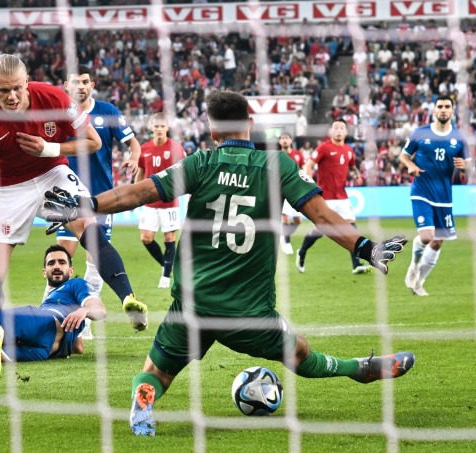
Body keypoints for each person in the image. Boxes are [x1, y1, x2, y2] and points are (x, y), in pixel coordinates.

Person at [41, 90, 413, 437]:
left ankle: (144, 403)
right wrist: (366, 248)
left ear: (212, 129)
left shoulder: (200, 163)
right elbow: (320, 214)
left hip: (194, 304)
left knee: (156, 373)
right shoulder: (276, 165)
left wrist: (84, 205)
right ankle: (361, 370)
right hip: (249, 310)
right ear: (250, 123)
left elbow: (137, 193)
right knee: (300, 352)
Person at [0, 54, 147, 384]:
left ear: (27, 81)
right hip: (7, 189)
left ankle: (127, 296)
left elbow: (93, 142)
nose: (11, 97)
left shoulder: (54, 98)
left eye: (16, 88)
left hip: (51, 175)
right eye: (3, 91)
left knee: (86, 223)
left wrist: (49, 148)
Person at [52, 66, 141, 339]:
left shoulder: (108, 111)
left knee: (95, 259)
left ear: (92, 85)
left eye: (85, 82)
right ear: (66, 85)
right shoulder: (57, 113)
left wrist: (134, 158)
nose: (81, 86)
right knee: (61, 257)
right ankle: (53, 310)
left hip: (101, 199)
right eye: (75, 82)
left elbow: (133, 144)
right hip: (67, 198)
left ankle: (86, 321)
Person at [399, 95, 471, 296]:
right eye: (440, 106)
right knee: (427, 236)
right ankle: (413, 266)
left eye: (447, 106)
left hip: (444, 197)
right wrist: (411, 165)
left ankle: (419, 282)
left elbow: (470, 167)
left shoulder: (459, 138)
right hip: (421, 191)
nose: (443, 110)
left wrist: (465, 167)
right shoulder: (419, 133)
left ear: (453, 110)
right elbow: (404, 155)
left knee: (438, 241)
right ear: (434, 110)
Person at [295, 119, 372, 275]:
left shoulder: (349, 150)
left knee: (351, 229)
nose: (338, 130)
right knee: (321, 231)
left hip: (342, 197)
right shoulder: (324, 147)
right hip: (326, 198)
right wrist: (308, 182)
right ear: (331, 131)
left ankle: (356, 264)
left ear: (345, 132)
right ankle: (302, 252)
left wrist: (356, 175)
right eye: (335, 127)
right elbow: (308, 165)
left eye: (341, 128)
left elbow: (352, 167)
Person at [134, 113, 186, 288]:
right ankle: (168, 266)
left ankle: (165, 277)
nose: (159, 129)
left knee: (169, 237)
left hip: (168, 201)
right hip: (149, 201)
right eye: (156, 126)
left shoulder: (176, 148)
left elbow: (185, 171)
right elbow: (140, 174)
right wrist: (135, 195)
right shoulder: (144, 148)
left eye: (162, 126)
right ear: (151, 128)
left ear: (167, 128)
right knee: (146, 238)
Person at [277, 133, 304, 255]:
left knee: (298, 221)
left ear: (291, 140)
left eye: (286, 138)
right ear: (279, 142)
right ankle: (287, 243)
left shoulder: (298, 155)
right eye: (282, 138)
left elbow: (303, 171)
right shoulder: (277, 156)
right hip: (282, 190)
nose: (284, 140)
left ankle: (283, 236)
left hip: (296, 190)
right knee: (285, 217)